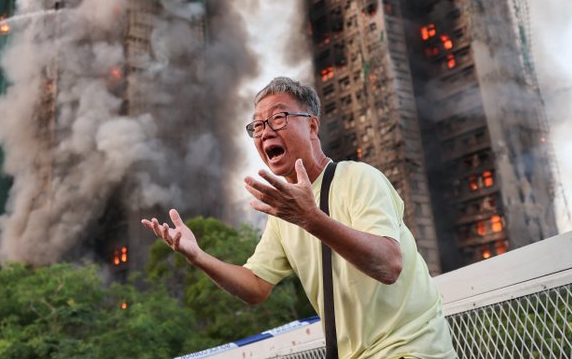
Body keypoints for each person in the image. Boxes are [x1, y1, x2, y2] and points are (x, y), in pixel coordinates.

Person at [142, 76, 457, 359]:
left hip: (410, 350)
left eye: (278, 117)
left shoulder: (359, 178)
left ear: (312, 126)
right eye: (258, 126)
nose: (266, 131)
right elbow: (255, 286)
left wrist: (310, 218)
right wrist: (198, 256)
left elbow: (389, 265)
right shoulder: (284, 214)